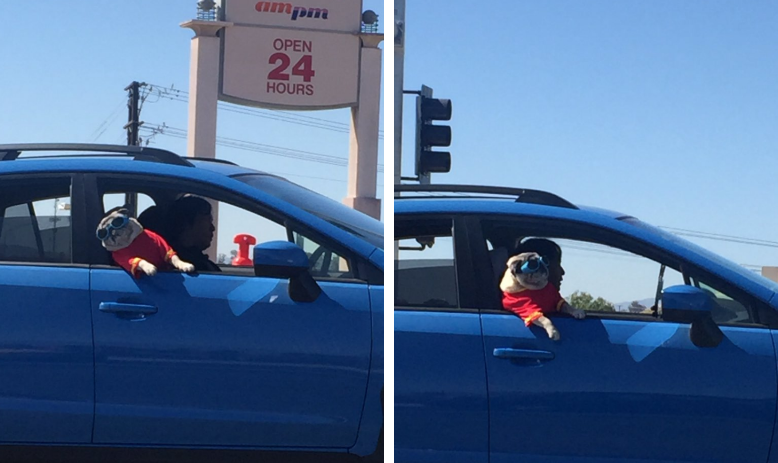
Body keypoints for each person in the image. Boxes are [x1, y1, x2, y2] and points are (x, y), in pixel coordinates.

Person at [166, 195, 221, 272]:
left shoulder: (201, 261)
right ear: (185, 224)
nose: (212, 228)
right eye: (208, 221)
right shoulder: (183, 265)